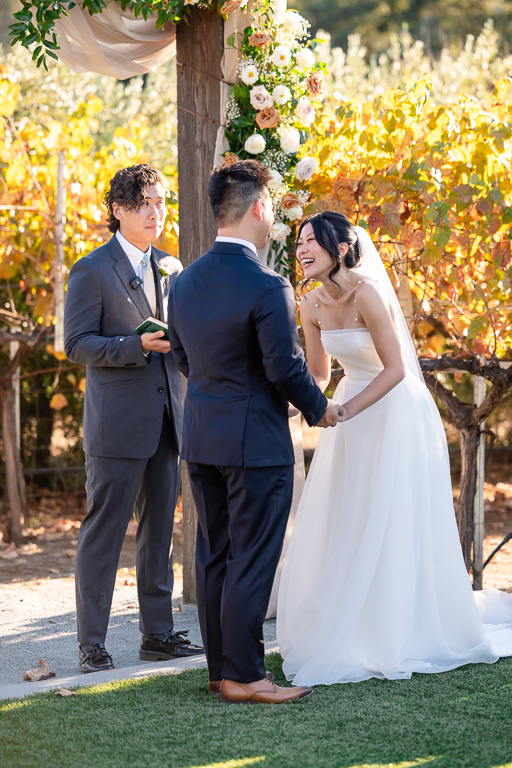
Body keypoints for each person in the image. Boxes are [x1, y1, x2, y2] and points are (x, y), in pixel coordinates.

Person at [277, 211, 512, 686]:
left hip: (393, 409)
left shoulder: (368, 292)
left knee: (394, 512)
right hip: (349, 413)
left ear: (341, 249)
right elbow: (320, 375)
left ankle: (401, 623)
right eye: (298, 242)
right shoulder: (311, 305)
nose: (301, 250)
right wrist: (298, 406)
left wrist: (345, 410)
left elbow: (396, 369)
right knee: (351, 512)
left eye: (310, 241)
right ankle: (355, 621)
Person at [167, 160, 342, 704]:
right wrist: (320, 409)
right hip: (255, 444)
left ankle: (221, 671)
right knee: (253, 556)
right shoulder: (268, 284)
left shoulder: (183, 281)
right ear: (260, 209)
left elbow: (182, 357)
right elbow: (284, 368)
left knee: (215, 553)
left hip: (201, 438)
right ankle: (247, 676)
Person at [64, 164, 203, 673]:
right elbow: (76, 344)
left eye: (161, 202)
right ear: (118, 209)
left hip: (169, 422)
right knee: (103, 535)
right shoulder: (91, 270)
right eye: (144, 203)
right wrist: (134, 345)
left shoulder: (172, 265)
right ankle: (92, 645)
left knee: (159, 534)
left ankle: (158, 635)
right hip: (116, 426)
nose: (155, 212)